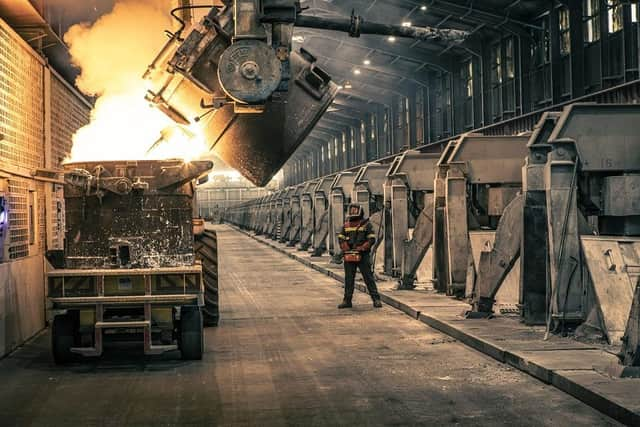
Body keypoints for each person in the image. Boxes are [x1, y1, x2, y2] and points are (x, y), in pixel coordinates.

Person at [337, 204, 382, 309]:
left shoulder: (367, 225)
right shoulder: (346, 225)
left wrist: (363, 247)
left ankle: (376, 299)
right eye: (351, 210)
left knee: (368, 278)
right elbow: (341, 237)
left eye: (355, 210)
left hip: (363, 255)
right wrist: (344, 246)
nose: (353, 212)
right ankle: (347, 301)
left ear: (360, 211)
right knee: (349, 279)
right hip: (349, 255)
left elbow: (371, 238)